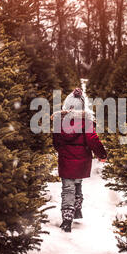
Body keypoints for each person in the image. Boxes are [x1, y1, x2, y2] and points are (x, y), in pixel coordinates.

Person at [52, 88, 107, 232]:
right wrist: (101, 154)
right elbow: (93, 140)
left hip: (65, 160)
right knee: (77, 184)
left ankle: (67, 219)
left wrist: (64, 151)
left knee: (67, 188)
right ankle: (77, 210)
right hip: (82, 160)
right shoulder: (86, 123)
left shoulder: (60, 122)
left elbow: (56, 142)